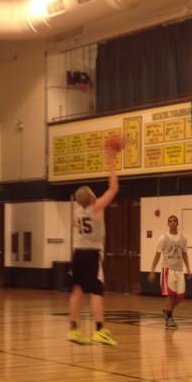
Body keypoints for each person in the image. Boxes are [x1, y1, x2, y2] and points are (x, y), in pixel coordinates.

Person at [68, 146, 119, 346]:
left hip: (77, 253)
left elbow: (75, 224)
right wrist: (111, 161)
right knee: (96, 291)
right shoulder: (96, 208)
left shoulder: (77, 212)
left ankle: (73, 330)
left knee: (77, 290)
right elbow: (113, 189)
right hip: (92, 254)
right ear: (91, 198)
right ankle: (99, 330)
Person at [148, 214, 192, 330]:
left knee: (181, 296)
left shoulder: (183, 238)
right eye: (170, 221)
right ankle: (169, 318)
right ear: (168, 224)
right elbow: (157, 255)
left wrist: (189, 269)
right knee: (170, 295)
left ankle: (167, 310)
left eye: (174, 221)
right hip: (167, 269)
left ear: (177, 223)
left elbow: (184, 254)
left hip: (179, 270)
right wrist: (152, 270)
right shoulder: (163, 238)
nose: (172, 223)